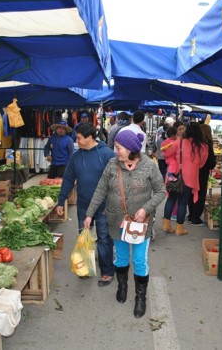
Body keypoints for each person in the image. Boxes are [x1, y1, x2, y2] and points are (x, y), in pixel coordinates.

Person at [83, 130, 165, 318]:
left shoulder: (148, 166)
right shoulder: (112, 164)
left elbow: (161, 191)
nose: (116, 150)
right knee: (120, 258)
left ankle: (140, 297)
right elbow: (101, 189)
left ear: (130, 149)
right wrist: (89, 214)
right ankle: (122, 286)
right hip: (116, 222)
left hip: (140, 224)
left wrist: (145, 208)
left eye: (119, 148)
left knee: (138, 260)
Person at [56, 123, 116, 285]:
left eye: (79, 138)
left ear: (90, 137)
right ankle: (85, 267)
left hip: (104, 206)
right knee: (84, 236)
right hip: (83, 205)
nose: (77, 140)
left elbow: (117, 180)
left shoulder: (107, 154)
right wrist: (61, 201)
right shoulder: (76, 157)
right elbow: (68, 179)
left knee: (104, 238)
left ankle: (107, 271)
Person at [163, 122, 208, 235]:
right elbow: (201, 164)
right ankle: (179, 229)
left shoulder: (180, 142)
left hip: (176, 175)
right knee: (183, 202)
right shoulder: (203, 147)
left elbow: (166, 153)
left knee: (171, 199)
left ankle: (166, 225)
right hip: (190, 177)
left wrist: (175, 161)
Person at [188, 124, 216, 226]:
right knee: (200, 195)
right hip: (202, 174)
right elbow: (211, 163)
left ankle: (191, 215)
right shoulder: (206, 146)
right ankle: (196, 218)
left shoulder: (193, 144)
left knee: (192, 194)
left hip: (191, 173)